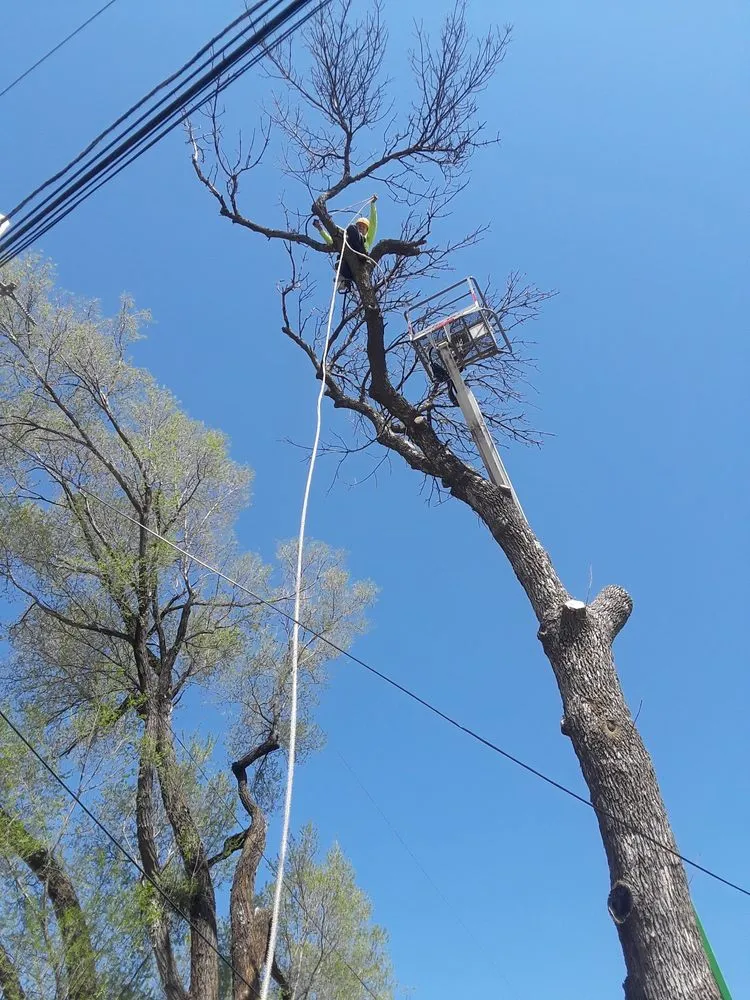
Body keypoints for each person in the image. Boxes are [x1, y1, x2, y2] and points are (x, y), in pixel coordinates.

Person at [312, 196, 378, 293]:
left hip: (361, 256)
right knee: (340, 261)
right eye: (359, 225)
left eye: (363, 227)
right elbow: (331, 241)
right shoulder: (347, 239)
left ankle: (359, 255)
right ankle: (344, 281)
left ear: (367, 230)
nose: (360, 227)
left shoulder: (366, 240)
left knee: (351, 229)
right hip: (349, 265)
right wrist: (320, 229)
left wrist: (373, 205)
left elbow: (373, 224)